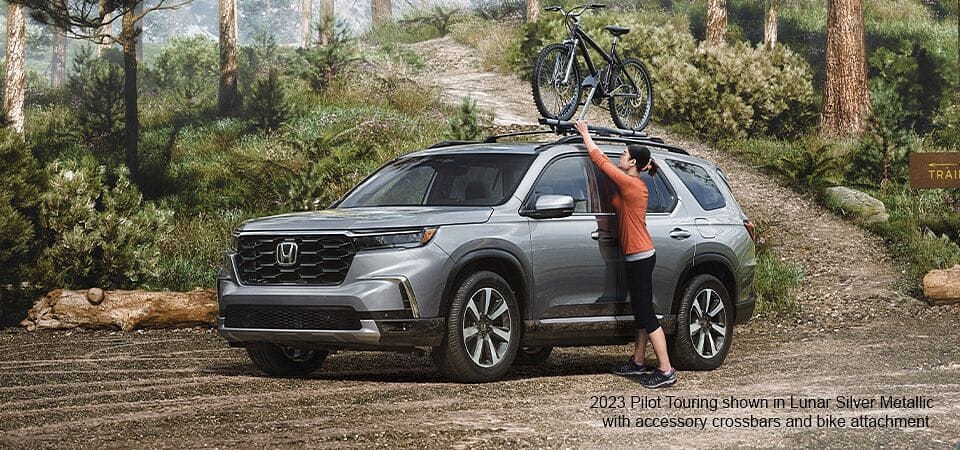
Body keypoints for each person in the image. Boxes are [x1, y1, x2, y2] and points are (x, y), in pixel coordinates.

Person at [574, 120, 677, 389]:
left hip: (640, 256)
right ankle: (638, 361)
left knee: (647, 315)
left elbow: (600, 161)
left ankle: (666, 370)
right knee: (641, 311)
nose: (620, 157)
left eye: (623, 154)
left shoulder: (631, 183)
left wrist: (585, 134)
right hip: (637, 255)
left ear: (632, 162)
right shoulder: (631, 183)